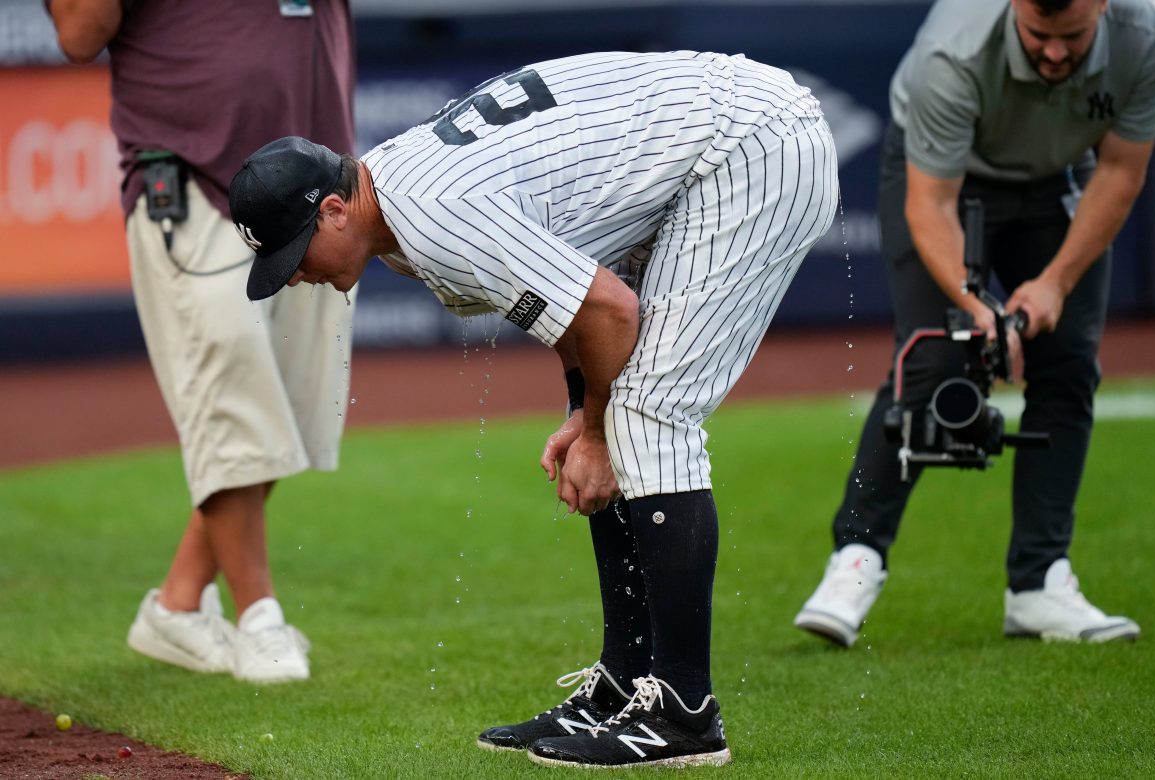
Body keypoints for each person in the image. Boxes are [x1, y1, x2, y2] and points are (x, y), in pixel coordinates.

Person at [228, 50, 839, 767]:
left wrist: (600, 431)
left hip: (751, 146)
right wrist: (584, 413)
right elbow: (573, 304)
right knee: (619, 417)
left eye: (295, 253)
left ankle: (685, 714)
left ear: (334, 212)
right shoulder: (388, 204)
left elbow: (609, 311)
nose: (294, 275)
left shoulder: (432, 216)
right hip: (711, 141)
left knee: (647, 418)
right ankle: (624, 685)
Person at [794, 0, 1155, 649]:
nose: (1056, 52)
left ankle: (1039, 583)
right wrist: (980, 311)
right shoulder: (953, 51)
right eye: (1040, 35)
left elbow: (1120, 170)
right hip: (947, 178)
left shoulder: (1148, 32)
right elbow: (931, 204)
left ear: (1105, 7)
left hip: (1060, 177)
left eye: (1073, 36)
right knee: (934, 356)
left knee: (1068, 362)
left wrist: (1054, 284)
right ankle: (855, 558)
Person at [48, 0, 356, 682]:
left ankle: (178, 605)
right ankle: (259, 618)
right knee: (234, 391)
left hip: (318, 179)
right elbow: (78, 32)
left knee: (286, 405)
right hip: (191, 170)